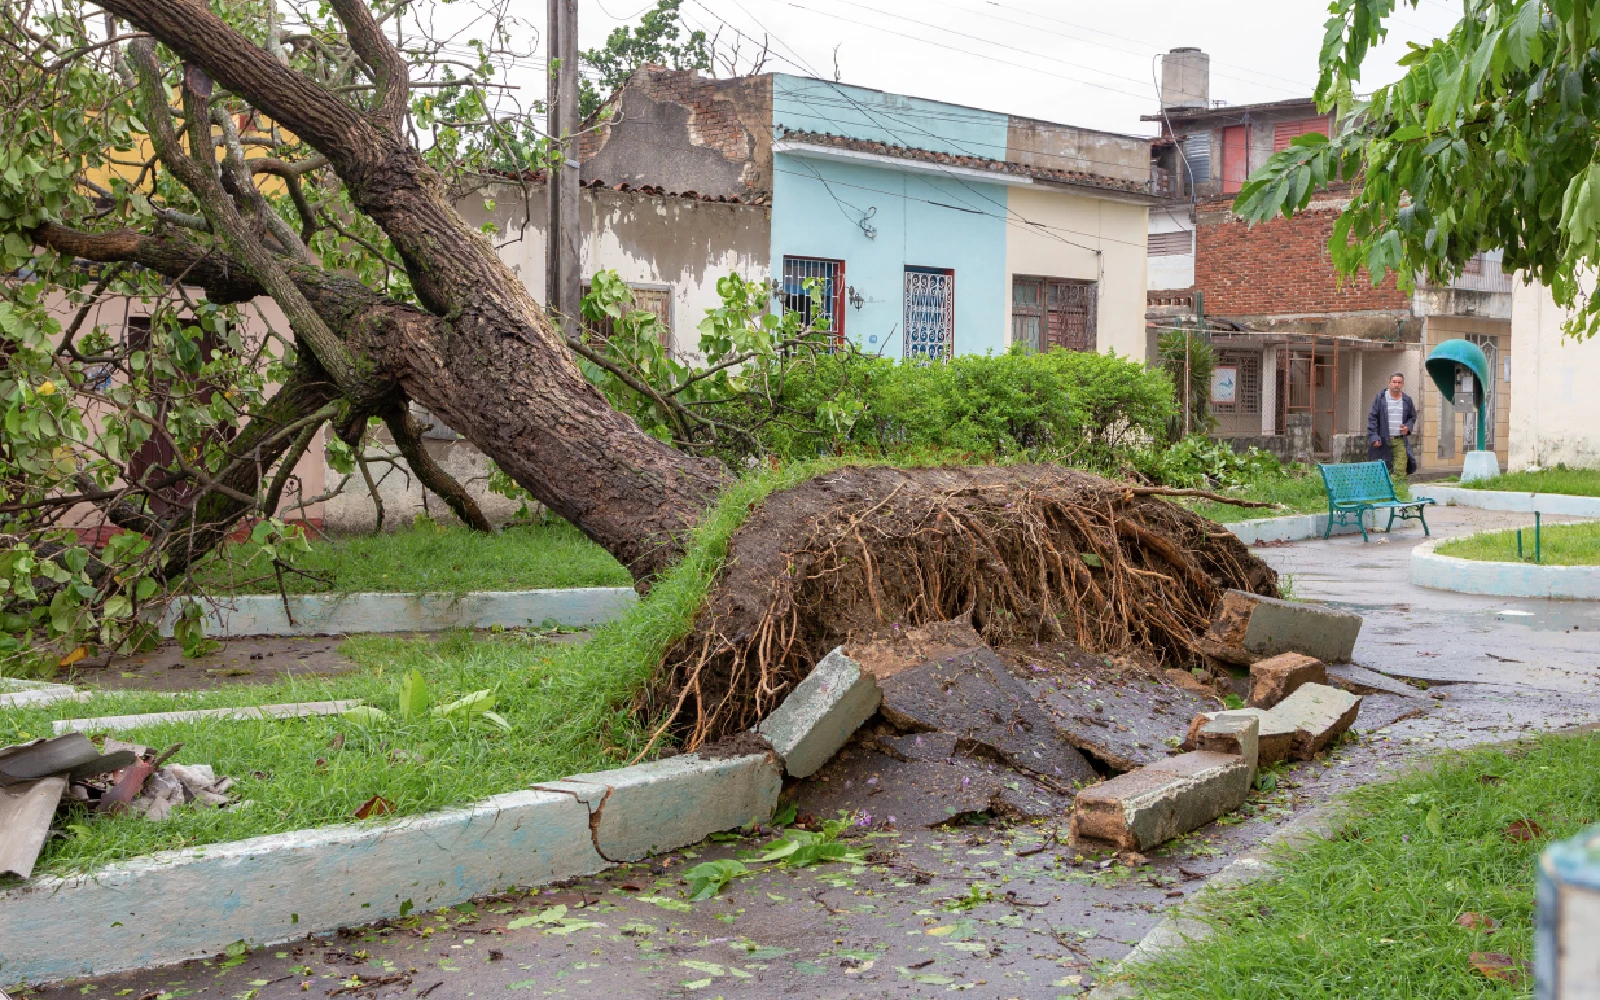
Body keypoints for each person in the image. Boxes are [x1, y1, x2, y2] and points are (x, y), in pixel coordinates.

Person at [1368, 372, 1418, 491]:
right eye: (1394, 382)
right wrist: (1374, 436)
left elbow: (1412, 417)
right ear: (1389, 383)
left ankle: (1400, 493)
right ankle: (1382, 493)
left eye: (1399, 382)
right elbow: (1372, 418)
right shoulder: (1381, 398)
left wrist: (1408, 427)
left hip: (1399, 440)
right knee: (1382, 469)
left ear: (1403, 384)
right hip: (1383, 440)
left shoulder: (1407, 400)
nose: (1396, 385)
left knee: (1401, 469)